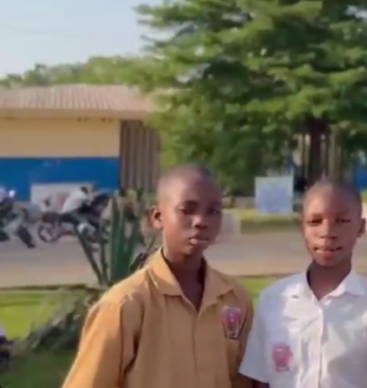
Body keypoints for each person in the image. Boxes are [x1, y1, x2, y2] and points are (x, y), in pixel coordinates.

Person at [62, 165, 255, 388]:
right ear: (157, 217)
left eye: (213, 211)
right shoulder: (125, 305)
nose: (201, 221)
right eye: (187, 209)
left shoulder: (234, 298)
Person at [240, 180, 367, 388]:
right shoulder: (273, 301)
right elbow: (260, 381)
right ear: (302, 227)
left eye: (341, 221)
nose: (327, 233)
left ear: (360, 227)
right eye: (315, 221)